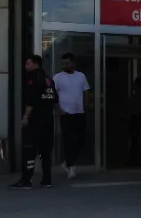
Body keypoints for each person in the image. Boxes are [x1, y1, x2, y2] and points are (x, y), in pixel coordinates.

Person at [11, 55, 57, 190]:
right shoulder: (48, 79)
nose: (26, 66)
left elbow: (32, 100)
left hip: (36, 120)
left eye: (28, 63)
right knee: (45, 151)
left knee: (29, 150)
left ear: (35, 64)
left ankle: (26, 180)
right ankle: (47, 180)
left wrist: (25, 117)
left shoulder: (33, 78)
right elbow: (54, 99)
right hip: (48, 120)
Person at [52, 52, 91, 179]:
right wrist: (59, 110)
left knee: (81, 141)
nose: (65, 65)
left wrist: (85, 106)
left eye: (67, 63)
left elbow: (86, 92)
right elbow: (53, 95)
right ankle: (71, 166)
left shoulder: (81, 76)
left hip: (79, 113)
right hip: (66, 114)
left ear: (73, 63)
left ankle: (67, 162)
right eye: (63, 63)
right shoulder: (57, 77)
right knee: (69, 140)